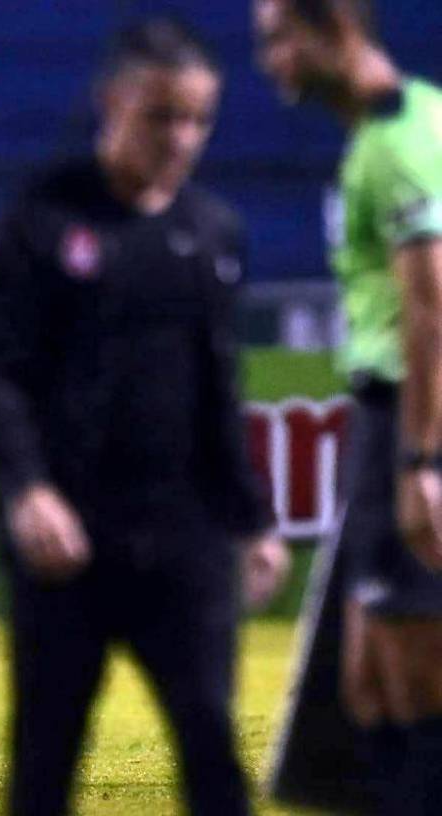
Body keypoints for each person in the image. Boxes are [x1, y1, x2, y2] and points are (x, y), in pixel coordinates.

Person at [0, 18, 290, 816]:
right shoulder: (44, 220)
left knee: (214, 753)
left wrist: (252, 520)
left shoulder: (212, 231)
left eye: (197, 119)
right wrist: (28, 489)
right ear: (112, 102)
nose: (180, 138)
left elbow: (219, 388)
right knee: (45, 764)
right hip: (67, 541)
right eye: (161, 116)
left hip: (186, 539)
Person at [255, 2, 442, 812]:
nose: (270, 59)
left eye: (278, 38)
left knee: (410, 677)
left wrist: (422, 460)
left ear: (332, 27)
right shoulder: (396, 126)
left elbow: (430, 307)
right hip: (388, 414)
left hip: (410, 413)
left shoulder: (398, 140)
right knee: (364, 684)